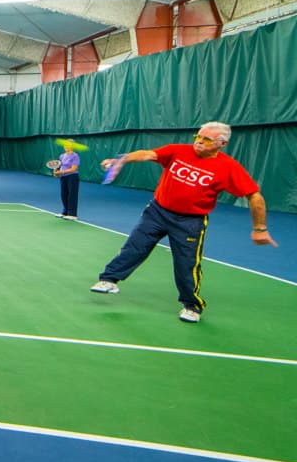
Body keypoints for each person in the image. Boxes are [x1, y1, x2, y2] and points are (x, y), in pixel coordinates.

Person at [89, 121, 277, 323]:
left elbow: (254, 196)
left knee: (186, 264)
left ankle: (192, 306)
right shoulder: (178, 151)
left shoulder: (228, 167)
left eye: (206, 139)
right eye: (198, 136)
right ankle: (109, 280)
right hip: (157, 212)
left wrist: (260, 228)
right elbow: (148, 154)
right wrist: (124, 159)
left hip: (190, 222)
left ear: (222, 144)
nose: (199, 142)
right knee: (134, 246)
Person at [53, 139, 81, 220]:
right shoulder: (62, 156)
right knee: (64, 194)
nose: (66, 146)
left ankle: (72, 214)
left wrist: (61, 172)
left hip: (72, 177)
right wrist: (55, 172)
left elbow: (73, 169)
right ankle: (65, 212)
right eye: (65, 144)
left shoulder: (75, 156)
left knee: (72, 195)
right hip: (63, 177)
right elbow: (58, 166)